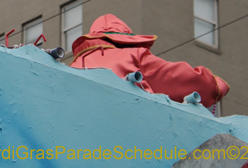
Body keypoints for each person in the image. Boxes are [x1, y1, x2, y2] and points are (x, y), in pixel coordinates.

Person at [70, 14, 229, 108]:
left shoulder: (72, 68)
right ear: (125, 40)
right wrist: (215, 85)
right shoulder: (133, 56)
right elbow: (185, 81)